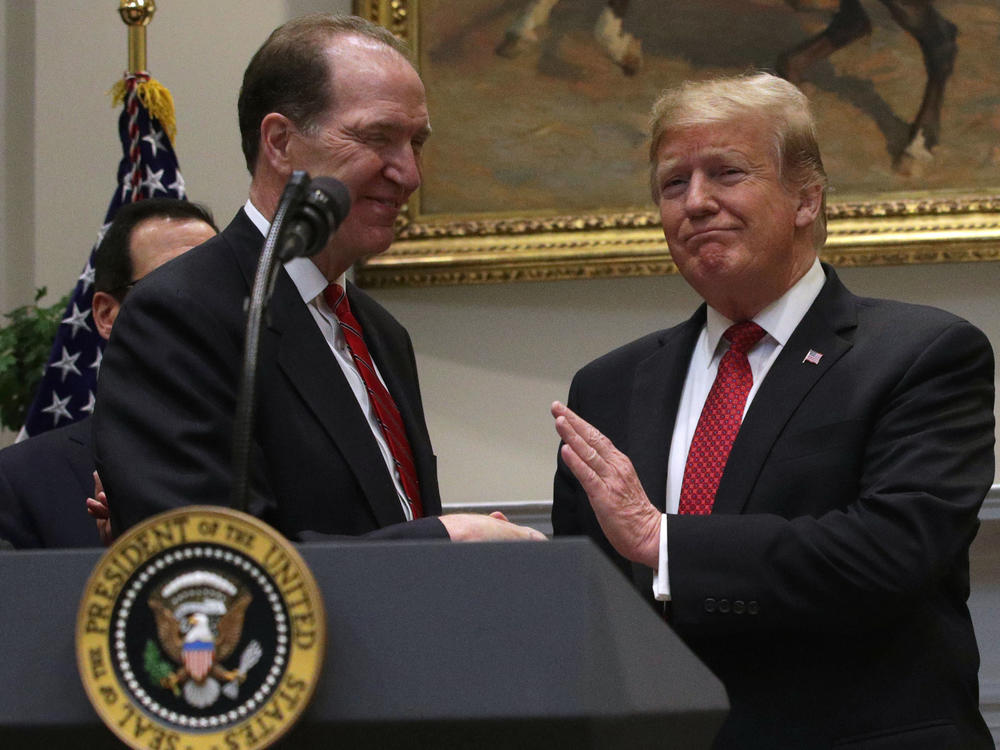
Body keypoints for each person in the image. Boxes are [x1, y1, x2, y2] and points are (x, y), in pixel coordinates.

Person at [551, 72, 995, 748]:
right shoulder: (608, 387)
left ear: (805, 200)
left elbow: (887, 556)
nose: (696, 203)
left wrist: (664, 542)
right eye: (674, 184)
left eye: (726, 173)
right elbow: (590, 612)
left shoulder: (923, 354)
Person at [94, 15, 543, 544]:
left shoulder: (379, 333)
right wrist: (445, 540)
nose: (410, 174)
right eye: (377, 137)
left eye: (415, 143)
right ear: (281, 142)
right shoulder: (179, 314)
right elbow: (210, 557)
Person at [0, 199, 218, 548]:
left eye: (217, 284)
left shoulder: (277, 456)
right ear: (106, 314)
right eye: (172, 284)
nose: (203, 305)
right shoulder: (22, 480)